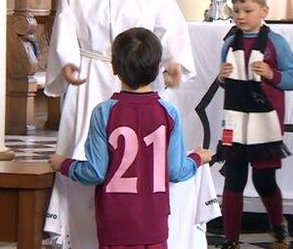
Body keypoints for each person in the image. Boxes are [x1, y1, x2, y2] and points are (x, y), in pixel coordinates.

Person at [43, 0, 196, 248]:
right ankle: (79, 233)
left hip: (140, 80)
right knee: (86, 156)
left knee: (143, 162)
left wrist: (174, 62)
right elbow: (65, 28)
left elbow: (171, 26)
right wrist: (68, 62)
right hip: (92, 77)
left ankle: (142, 224)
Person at [47, 27, 211, 249]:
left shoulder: (104, 112)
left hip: (115, 222)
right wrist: (198, 158)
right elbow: (176, 170)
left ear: (114, 67)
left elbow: (95, 172)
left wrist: (63, 164)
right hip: (154, 222)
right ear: (157, 69)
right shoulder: (168, 113)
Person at [216, 0, 293, 249]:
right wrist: (221, 77)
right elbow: (224, 79)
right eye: (237, 10)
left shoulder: (276, 43)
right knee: (234, 179)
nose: (240, 16)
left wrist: (272, 74)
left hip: (265, 122)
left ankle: (278, 226)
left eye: (247, 10)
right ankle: (231, 239)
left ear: (263, 10)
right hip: (236, 121)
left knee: (264, 181)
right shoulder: (229, 42)